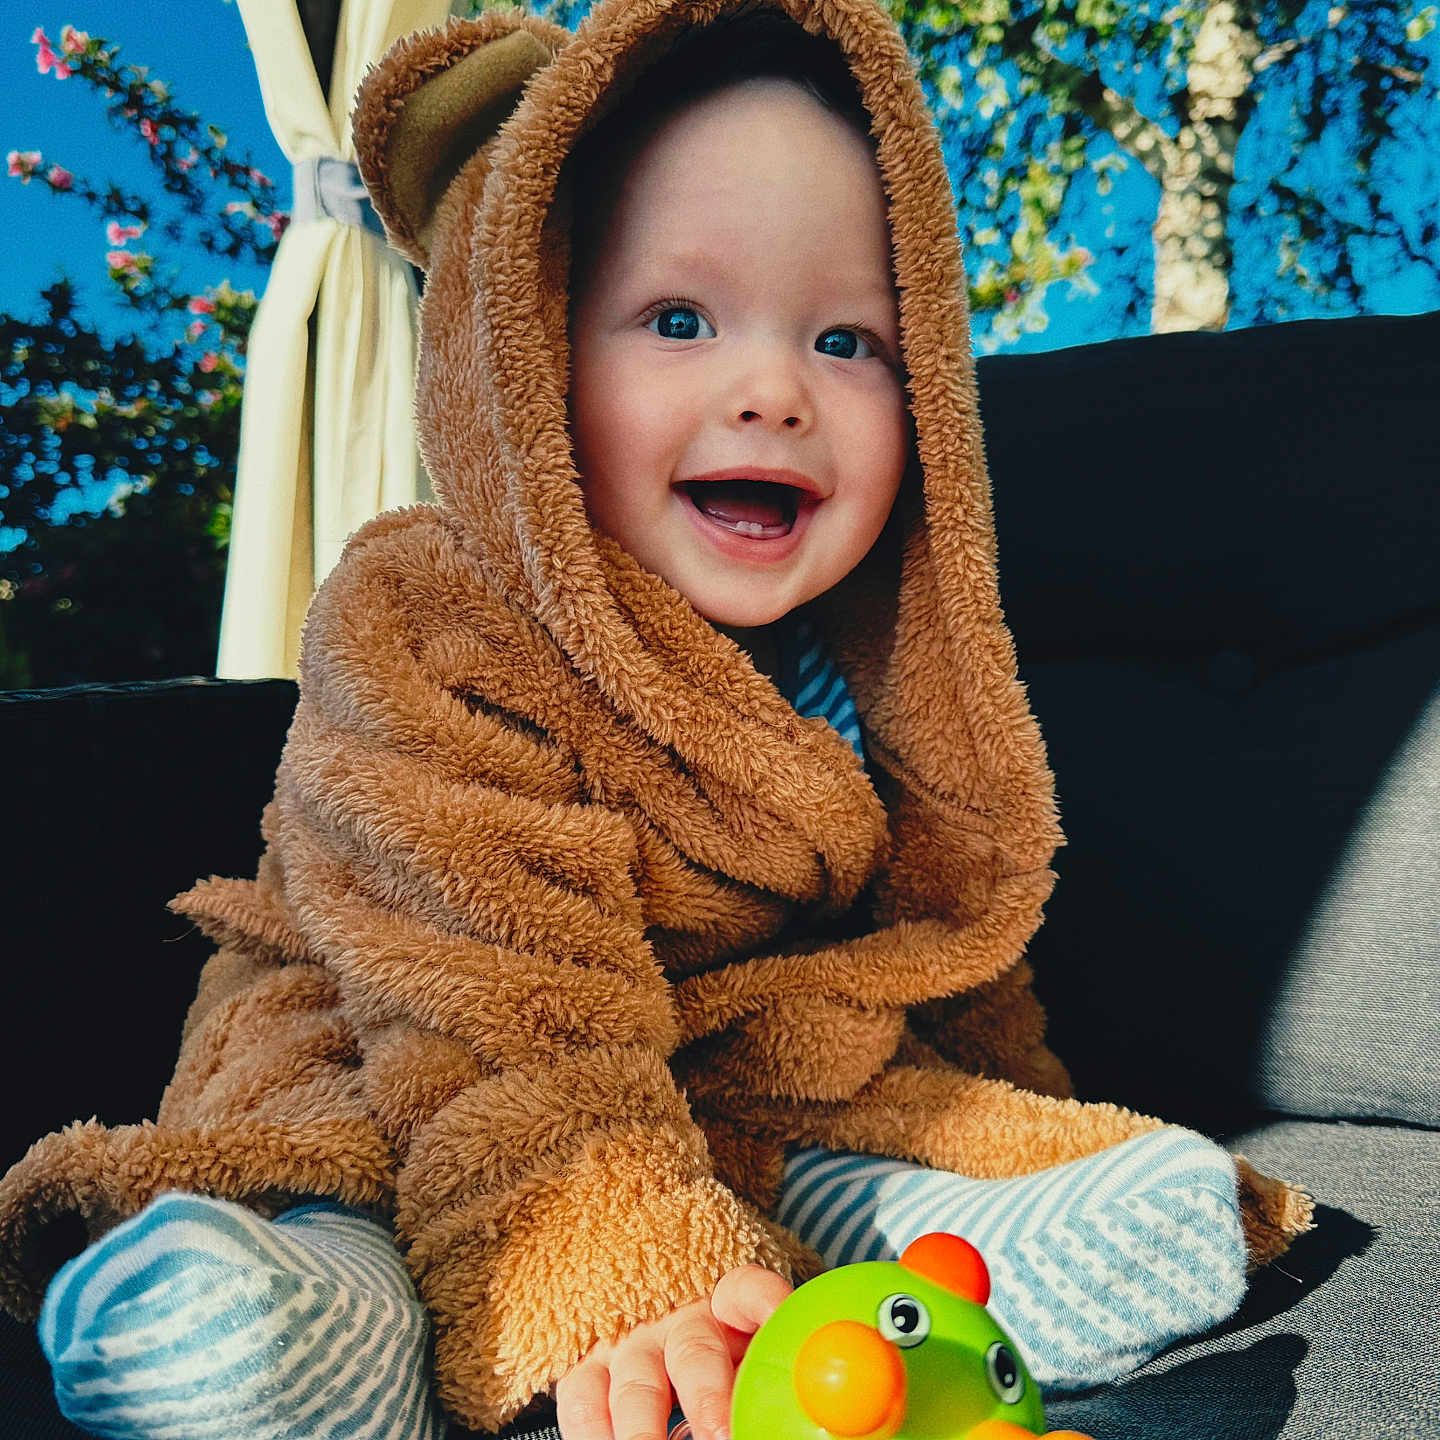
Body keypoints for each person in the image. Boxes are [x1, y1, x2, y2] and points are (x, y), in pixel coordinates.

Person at [0, 3, 1312, 1439]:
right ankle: (325, 1308)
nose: (773, 393)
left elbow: (940, 949)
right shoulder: (439, 615)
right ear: (528, 361)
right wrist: (610, 1259)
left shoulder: (884, 671)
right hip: (407, 1024)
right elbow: (488, 984)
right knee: (334, 1139)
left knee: (841, 1085)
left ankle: (924, 1236)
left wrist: (1008, 1111)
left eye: (848, 339)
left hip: (720, 1069)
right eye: (678, 319)